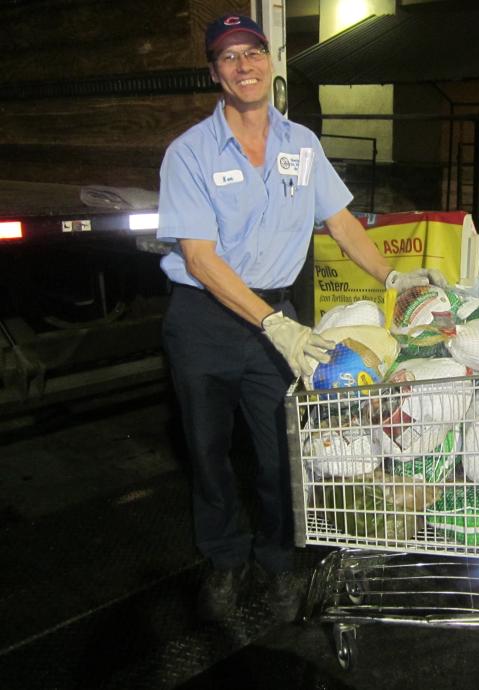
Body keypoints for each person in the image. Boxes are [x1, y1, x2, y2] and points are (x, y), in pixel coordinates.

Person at [156, 14, 445, 624]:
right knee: (207, 455)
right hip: (205, 323)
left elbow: (341, 221)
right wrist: (275, 325)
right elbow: (201, 260)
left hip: (276, 322)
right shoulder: (188, 153)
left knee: (281, 454)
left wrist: (390, 277)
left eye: (253, 53)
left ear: (270, 63)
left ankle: (279, 562)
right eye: (229, 57)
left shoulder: (301, 146)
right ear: (215, 74)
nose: (244, 66)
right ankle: (226, 560)